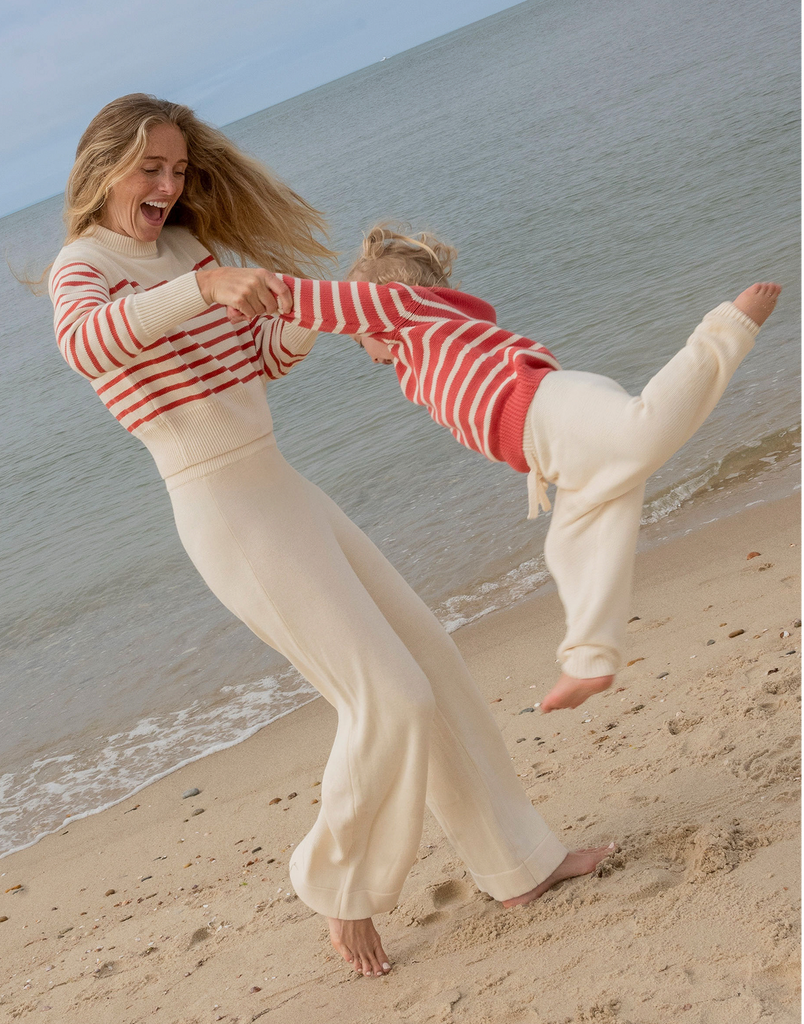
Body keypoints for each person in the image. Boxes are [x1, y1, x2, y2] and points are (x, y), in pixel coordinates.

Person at [49, 96, 609, 979]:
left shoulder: (186, 251)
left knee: (432, 663)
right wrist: (202, 286)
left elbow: (264, 354)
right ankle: (335, 883)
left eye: (179, 169)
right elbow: (89, 343)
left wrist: (352, 305)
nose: (167, 183)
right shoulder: (81, 268)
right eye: (150, 167)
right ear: (104, 168)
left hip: (284, 488)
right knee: (387, 697)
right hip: (224, 508)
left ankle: (519, 865)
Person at [257, 225, 780, 715]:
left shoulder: (406, 312)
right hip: (551, 449)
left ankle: (727, 328)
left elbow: (327, 303)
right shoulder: (424, 341)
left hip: (553, 410)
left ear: (384, 303)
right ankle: (590, 662)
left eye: (359, 340)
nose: (368, 355)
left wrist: (255, 295)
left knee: (642, 431)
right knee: (572, 544)